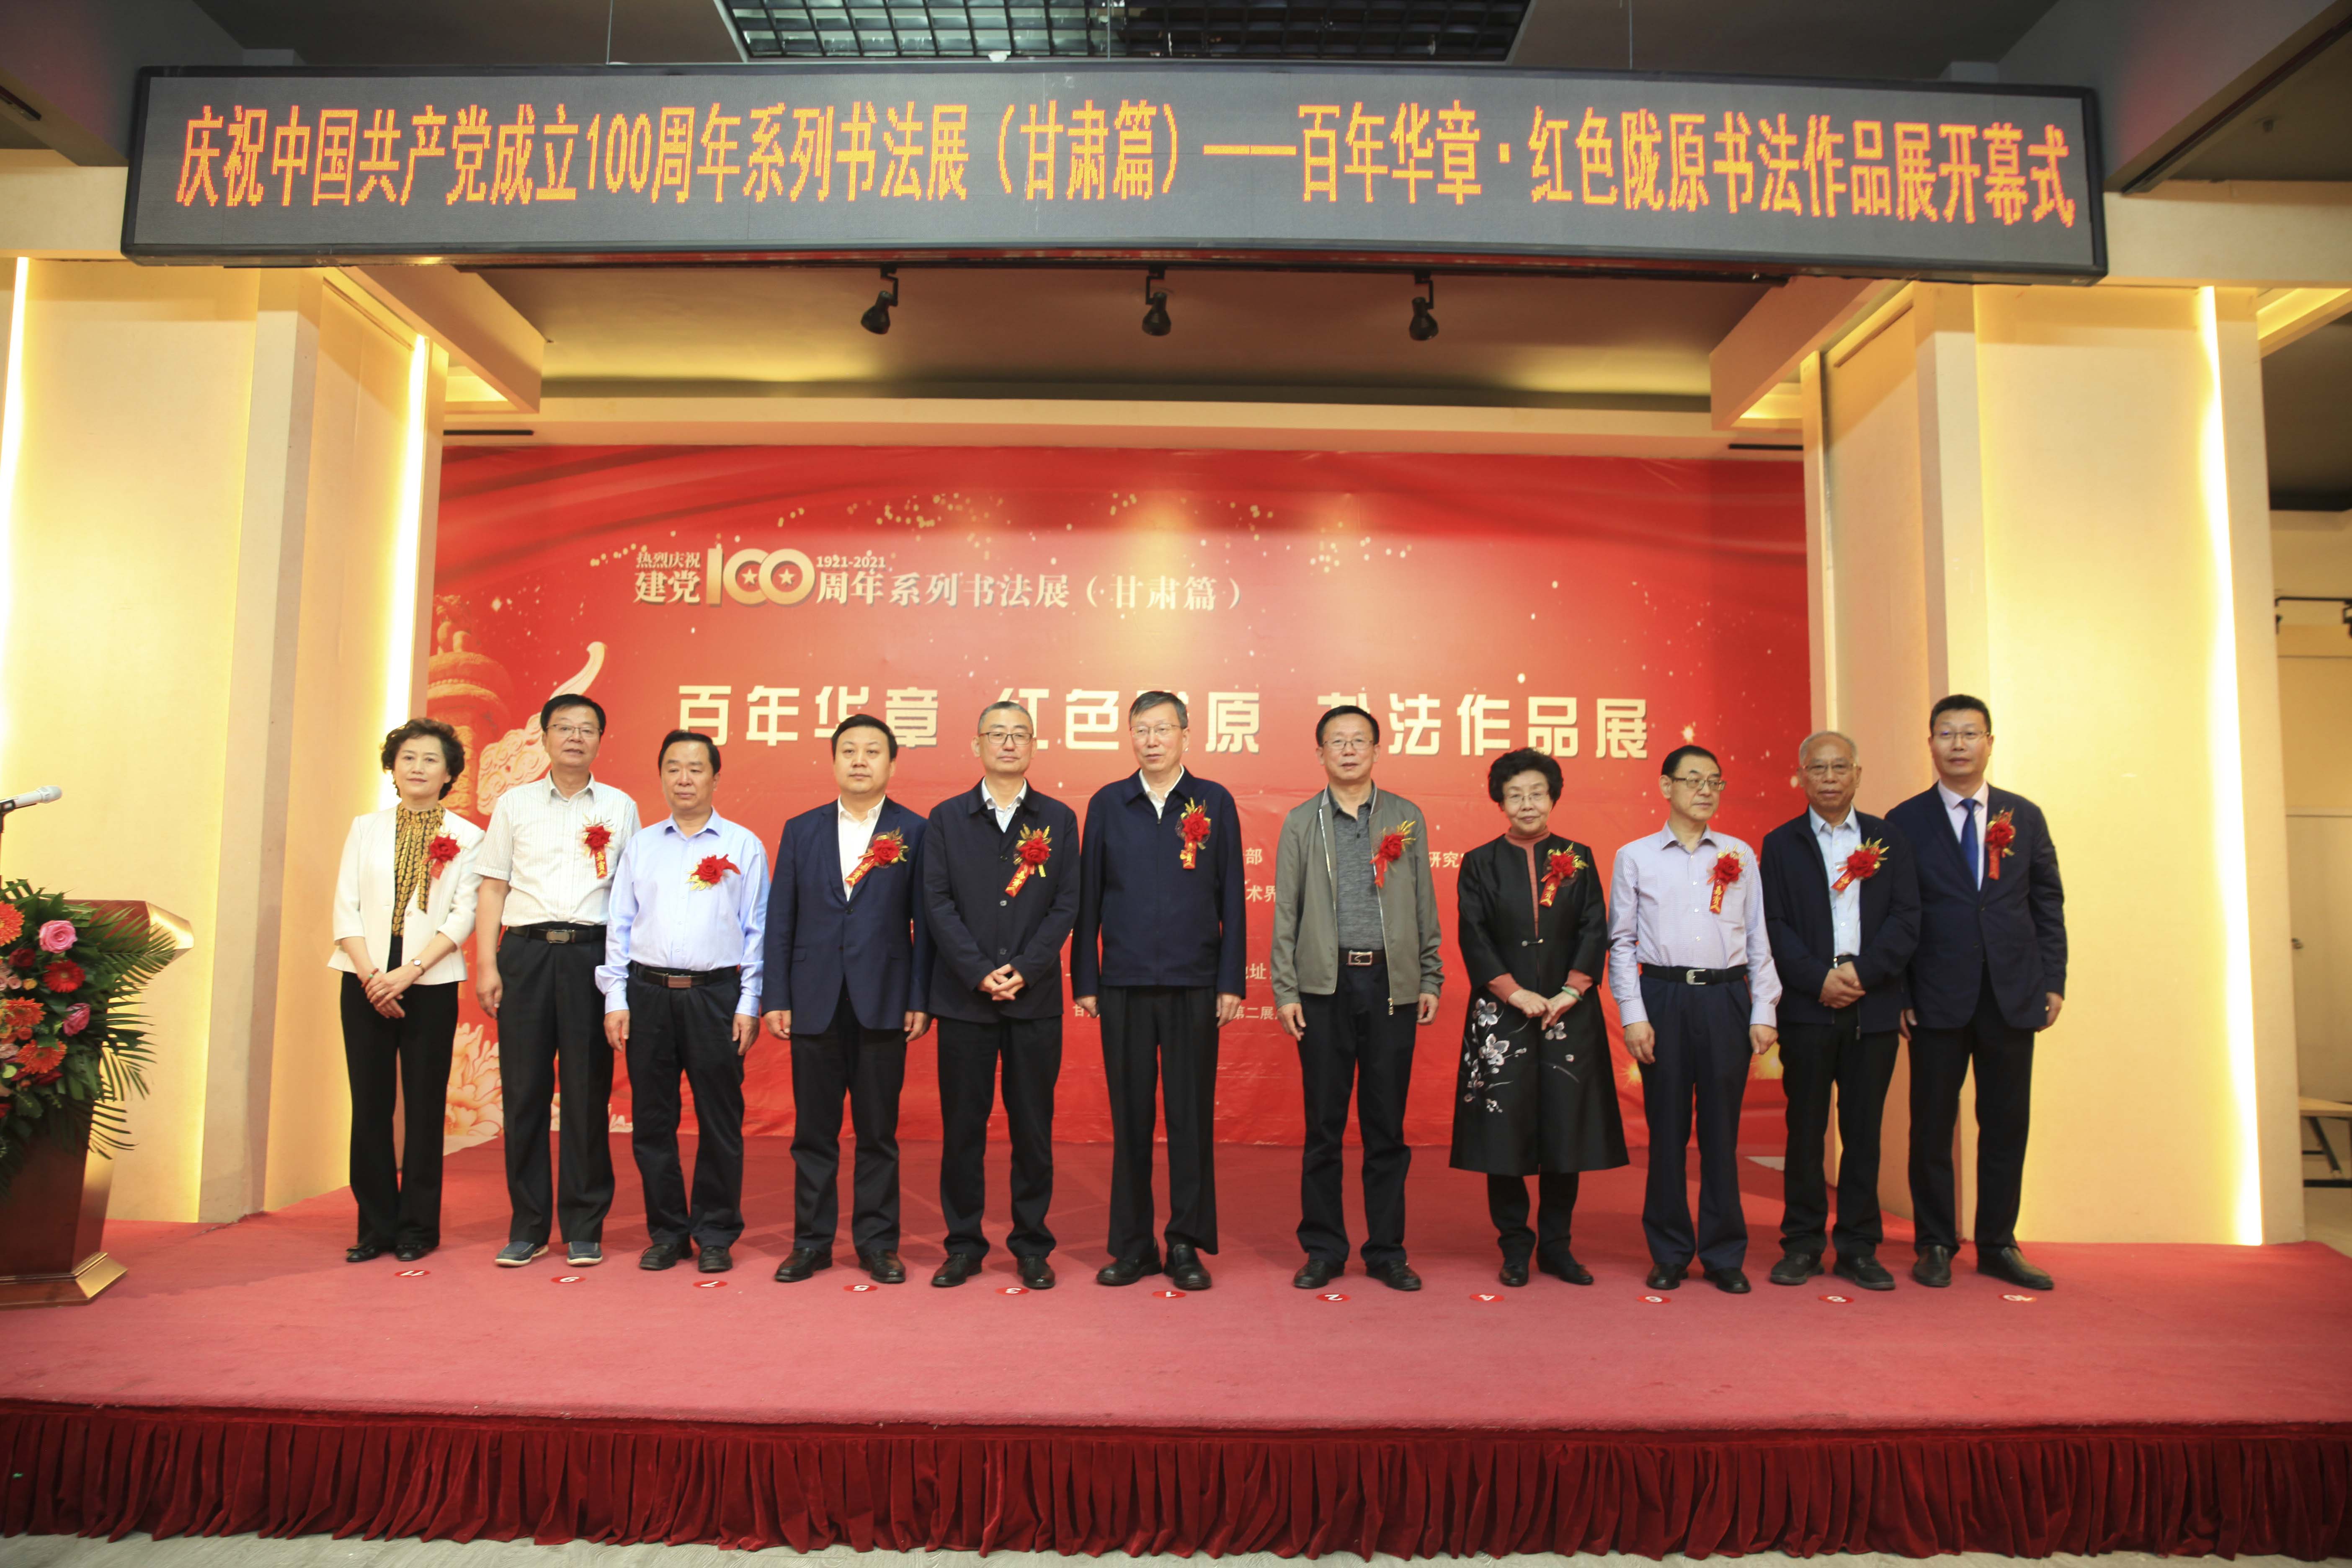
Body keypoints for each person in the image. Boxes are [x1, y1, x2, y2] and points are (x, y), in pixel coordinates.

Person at [1885, 695, 2067, 1292]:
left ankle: (1998, 1242)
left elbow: (2047, 902)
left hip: (2012, 994)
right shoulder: (1905, 821)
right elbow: (1895, 912)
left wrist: (2053, 980)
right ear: (1931, 744)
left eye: (1970, 733)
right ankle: (1936, 1242)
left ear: (1990, 742)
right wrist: (1901, 991)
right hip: (1935, 996)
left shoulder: (2024, 816)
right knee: (1932, 1127)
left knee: (2006, 1124)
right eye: (1947, 734)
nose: (1959, 744)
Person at [1073, 692, 1246, 1291]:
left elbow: (1231, 895)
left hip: (1194, 982)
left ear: (1186, 735)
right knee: (1130, 1119)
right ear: (1130, 737)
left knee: (1189, 1119)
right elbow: (1089, 895)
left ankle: (1184, 1243)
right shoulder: (1108, 803)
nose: (1152, 740)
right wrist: (1086, 978)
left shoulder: (1213, 801)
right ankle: (1133, 1246)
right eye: (1141, 730)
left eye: (1163, 729)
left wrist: (1230, 980)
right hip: (1122, 982)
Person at [1271, 704, 1444, 1293]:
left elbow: (1423, 901)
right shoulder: (1302, 822)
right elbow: (1287, 911)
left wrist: (1429, 977)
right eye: (1337, 742)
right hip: (1325, 987)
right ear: (1320, 753)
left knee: (1385, 1126)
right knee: (1324, 1126)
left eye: (1359, 741)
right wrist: (1286, 988)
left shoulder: (1405, 816)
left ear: (1376, 749)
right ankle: (1323, 1249)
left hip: (1391, 986)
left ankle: (1387, 1251)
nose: (1348, 750)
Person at [763, 715, 933, 1287]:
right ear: (833, 761)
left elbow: (926, 924)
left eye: (873, 751)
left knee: (878, 1134)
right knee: (814, 1133)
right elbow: (781, 919)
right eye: (849, 751)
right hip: (813, 1000)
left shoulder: (915, 831)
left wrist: (919, 997)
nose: (860, 761)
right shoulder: (801, 830)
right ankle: (810, 1243)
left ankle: (878, 1244)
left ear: (892, 763)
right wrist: (776, 994)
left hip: (884, 998)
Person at [472, 694, 640, 1269]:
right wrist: (487, 963)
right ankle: (528, 1226)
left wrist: (622, 977)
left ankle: (585, 1225)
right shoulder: (514, 804)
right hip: (526, 954)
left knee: (588, 1093)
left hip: (592, 955)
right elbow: (493, 886)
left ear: (600, 741)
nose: (575, 737)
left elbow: (630, 896)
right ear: (544, 737)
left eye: (586, 729)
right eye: (563, 727)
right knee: (524, 1093)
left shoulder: (620, 807)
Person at [1607, 744, 1781, 1294]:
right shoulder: (1635, 856)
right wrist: (1633, 1014)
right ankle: (1670, 1251)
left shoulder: (1739, 853)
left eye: (1715, 781)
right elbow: (1621, 941)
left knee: (1721, 1133)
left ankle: (1724, 1254)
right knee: (1667, 1131)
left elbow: (1758, 936)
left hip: (1726, 999)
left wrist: (1764, 1008)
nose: (1705, 790)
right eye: (1692, 780)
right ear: (1667, 787)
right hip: (1663, 996)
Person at [1449, 748, 1626, 1287]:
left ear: (1553, 798)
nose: (1527, 804)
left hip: (1569, 1012)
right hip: (1503, 1016)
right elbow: (1473, 934)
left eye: (1537, 793)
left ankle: (1556, 1247)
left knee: (1566, 1133)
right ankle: (1514, 1247)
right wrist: (1514, 992)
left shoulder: (1578, 857)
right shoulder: (1480, 862)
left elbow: (1595, 928)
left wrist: (1572, 990)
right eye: (1515, 795)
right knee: (1502, 1134)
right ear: (1500, 802)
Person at [920, 702, 1082, 1289]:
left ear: (1034, 746)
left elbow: (1067, 902)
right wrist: (978, 971)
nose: (1009, 744)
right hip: (965, 1001)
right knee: (963, 1129)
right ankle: (963, 1245)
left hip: (1033, 1001)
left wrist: (1027, 969)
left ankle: (1032, 1245)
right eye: (998, 734)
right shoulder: (947, 818)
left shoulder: (1058, 819)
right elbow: (936, 903)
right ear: (977, 744)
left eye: (1020, 735)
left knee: (1032, 1129)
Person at [597, 730, 768, 1274]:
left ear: (715, 777)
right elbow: (620, 924)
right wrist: (616, 997)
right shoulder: (642, 845)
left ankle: (715, 1232)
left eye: (696, 768)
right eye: (673, 768)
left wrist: (749, 1001)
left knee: (720, 1119)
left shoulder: (743, 846)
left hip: (715, 995)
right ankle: (668, 1232)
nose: (685, 779)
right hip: (647, 994)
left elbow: (757, 929)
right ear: (662, 777)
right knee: (653, 1120)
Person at [1759, 730, 1919, 1292]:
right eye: (1818, 768)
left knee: (1863, 1132)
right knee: (1805, 1132)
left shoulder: (1889, 839)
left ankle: (1858, 1246)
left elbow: (1907, 919)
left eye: (1839, 767)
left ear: (1857, 774)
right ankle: (1802, 1244)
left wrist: (1863, 975)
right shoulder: (1780, 844)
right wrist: (1818, 979)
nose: (1829, 778)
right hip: (1808, 1007)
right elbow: (1772, 924)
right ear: (1801, 775)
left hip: (1872, 1007)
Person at [330, 717, 484, 1264]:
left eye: (430, 760)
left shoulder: (469, 838)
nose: (418, 768)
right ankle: (375, 1226)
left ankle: (419, 1227)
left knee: (423, 1108)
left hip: (430, 984)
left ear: (449, 774)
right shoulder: (365, 829)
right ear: (393, 769)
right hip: (364, 981)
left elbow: (464, 916)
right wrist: (372, 975)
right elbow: (345, 907)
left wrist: (408, 973)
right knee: (369, 1107)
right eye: (408, 758)